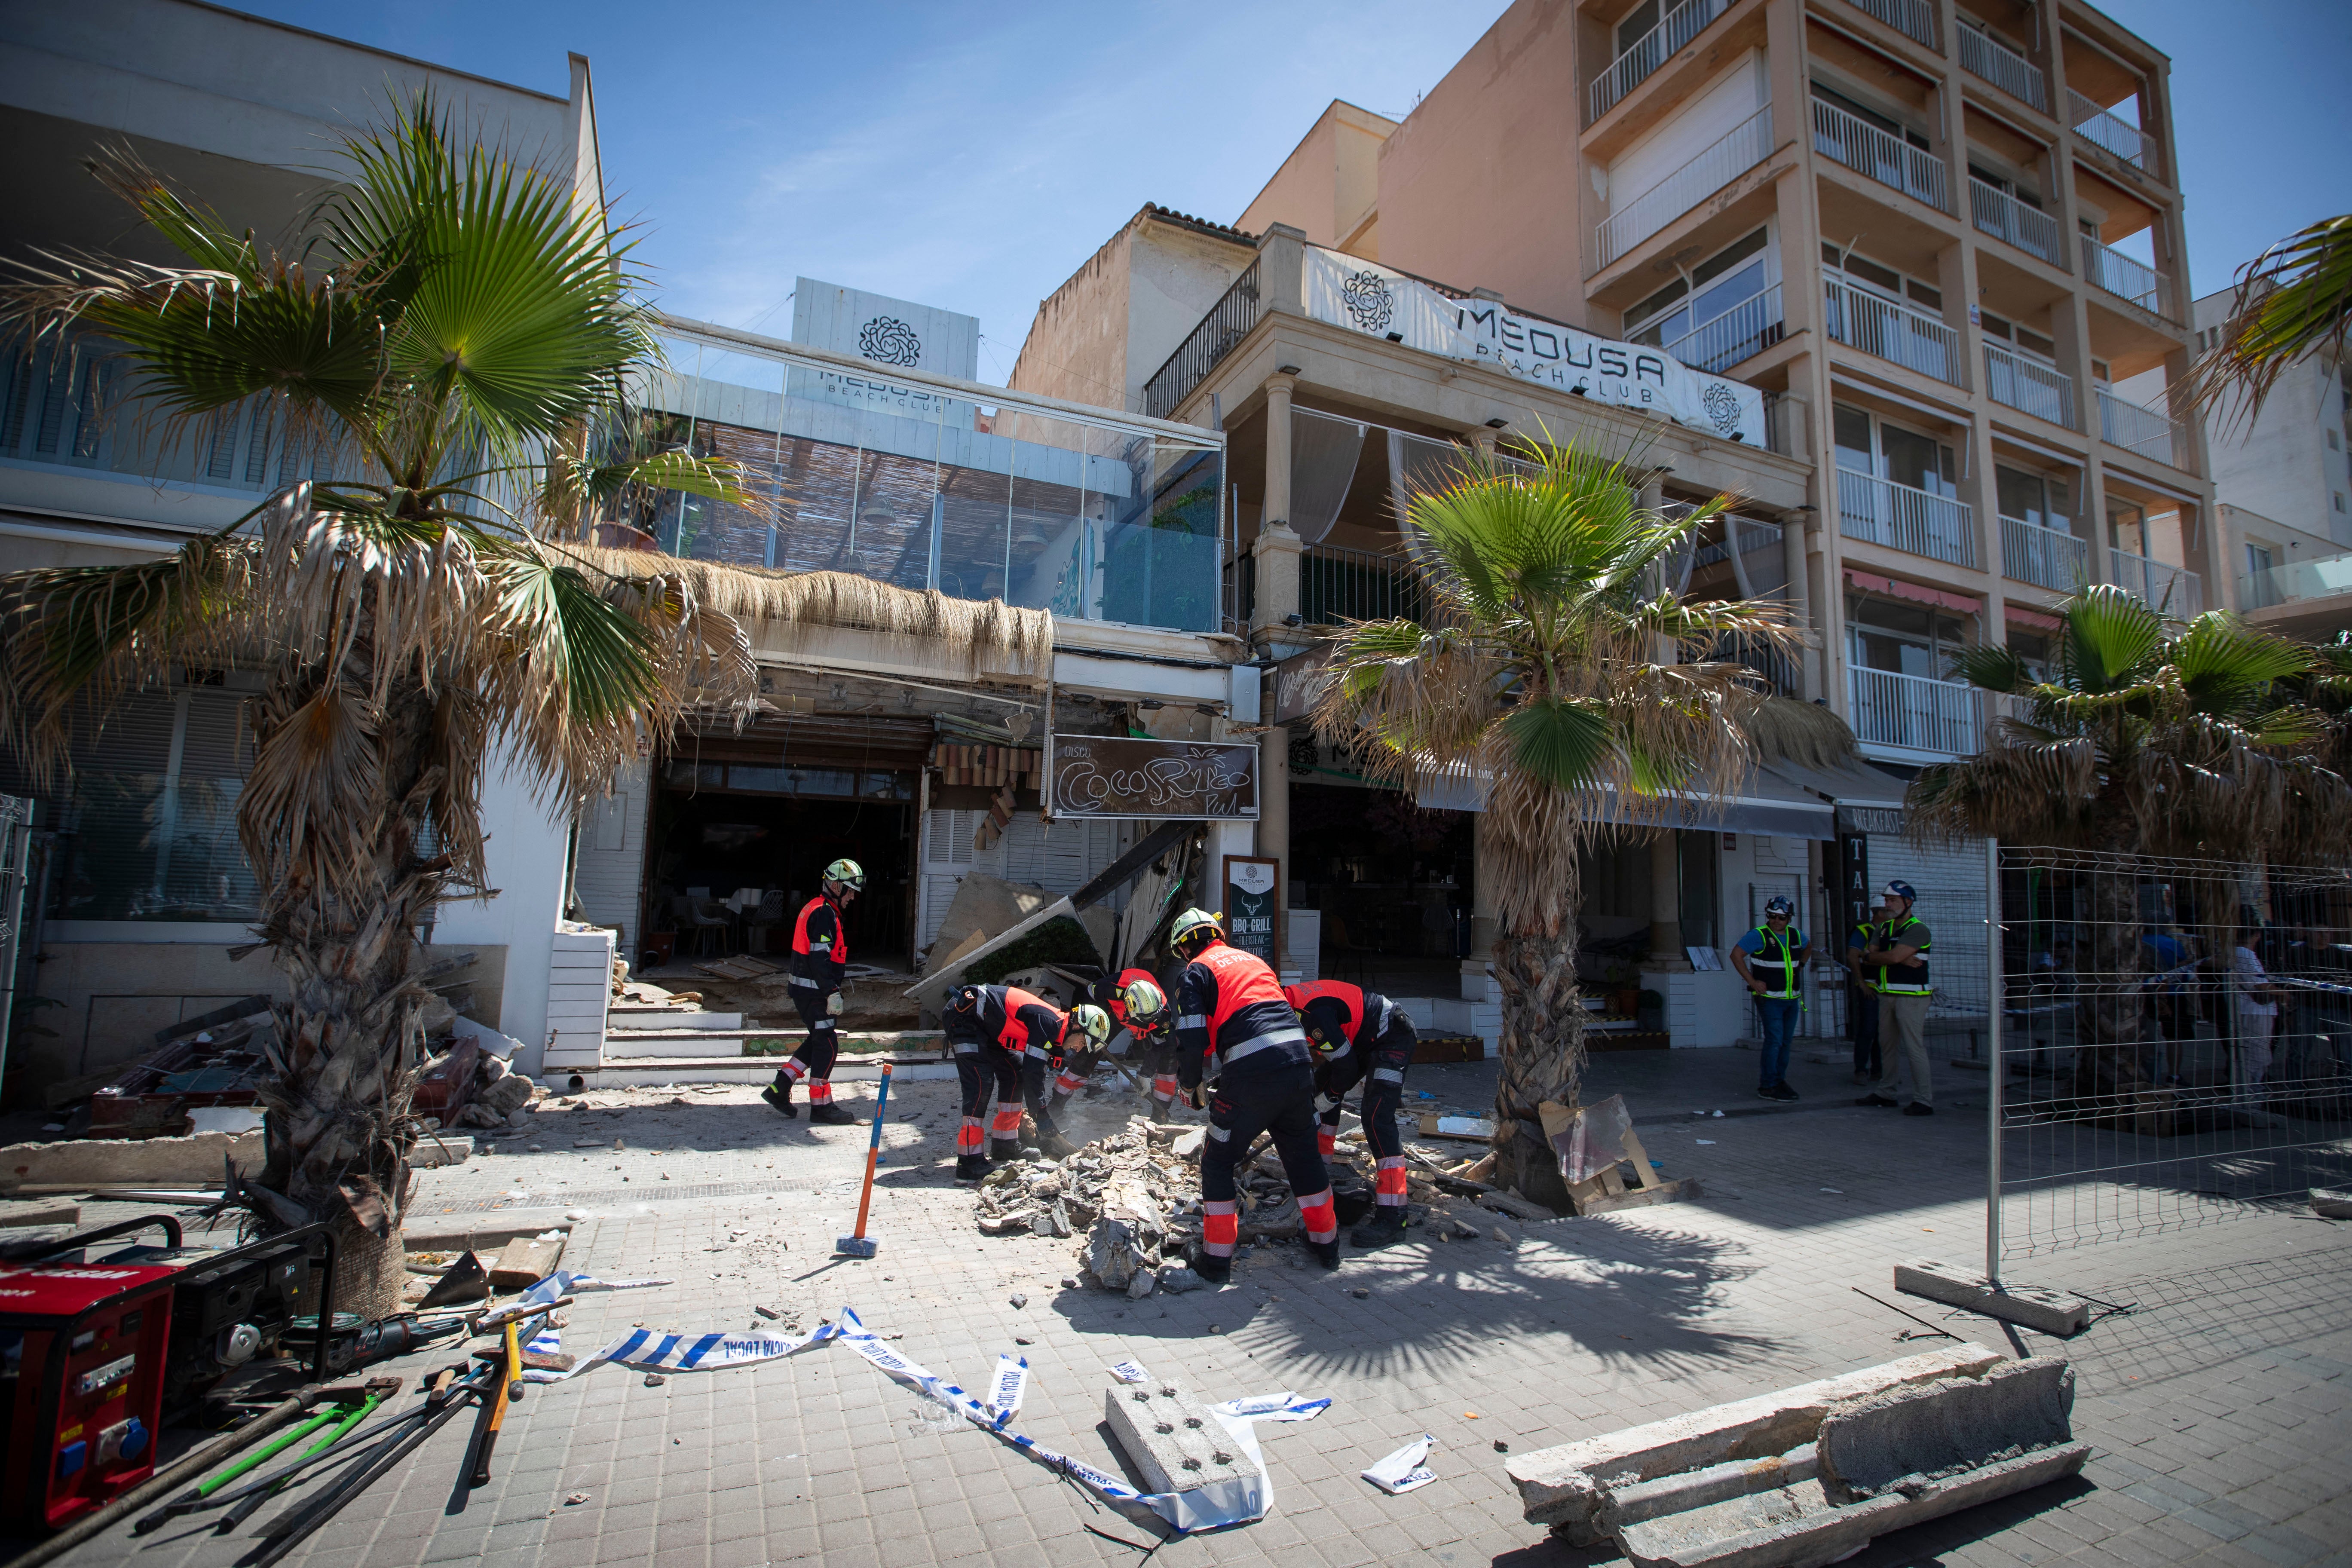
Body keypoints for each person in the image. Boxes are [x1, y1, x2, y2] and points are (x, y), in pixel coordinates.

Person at [1170, 908, 1338, 1282]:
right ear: (1218, 934)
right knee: (1304, 1158)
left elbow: (1193, 1036)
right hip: (1298, 1066)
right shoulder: (1252, 961)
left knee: (1217, 1162)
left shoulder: (1195, 971)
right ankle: (1327, 1245)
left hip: (1251, 1075)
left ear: (1184, 948)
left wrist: (1189, 1085)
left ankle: (1215, 1262)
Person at [1283, 979, 1416, 1249]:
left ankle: (1394, 1217)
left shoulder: (1311, 1015)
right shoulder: (1289, 1005)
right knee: (1321, 1086)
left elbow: (1345, 1069)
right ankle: (1320, 1179)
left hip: (1392, 1035)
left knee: (1377, 1118)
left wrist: (1324, 1102)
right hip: (1361, 1040)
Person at [941, 983, 1111, 1177]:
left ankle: (1004, 1145)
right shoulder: (1048, 1024)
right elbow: (1034, 1072)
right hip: (965, 1017)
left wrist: (1041, 1114)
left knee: (1015, 1075)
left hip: (986, 1028)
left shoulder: (1054, 1031)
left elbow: (1031, 1073)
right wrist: (1041, 1116)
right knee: (981, 1084)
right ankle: (969, 1161)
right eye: (1082, 1042)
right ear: (1076, 1027)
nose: (1079, 1048)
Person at [763, 859, 864, 1125]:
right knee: (828, 1045)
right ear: (834, 885)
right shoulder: (823, 913)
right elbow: (819, 958)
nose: (853, 897)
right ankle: (821, 1107)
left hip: (808, 991)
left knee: (818, 1041)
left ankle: (779, 1088)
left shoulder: (820, 909)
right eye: (850, 890)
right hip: (815, 992)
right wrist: (832, 992)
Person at [1855, 881, 1935, 1116]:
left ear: (1908, 903)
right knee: (1887, 1046)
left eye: (1893, 901)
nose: (1888, 905)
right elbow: (1867, 953)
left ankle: (1924, 1100)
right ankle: (1886, 1093)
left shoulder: (1918, 929)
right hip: (1887, 994)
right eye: (1887, 900)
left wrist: (1889, 957)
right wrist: (1891, 957)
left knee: (1913, 1048)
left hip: (1912, 997)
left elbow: (1886, 957)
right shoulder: (1883, 928)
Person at [1731, 897, 1810, 1102]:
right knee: (1774, 1041)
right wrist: (1753, 981)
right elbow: (1736, 955)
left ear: (1789, 918)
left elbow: (1808, 946)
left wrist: (1801, 963)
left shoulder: (1796, 935)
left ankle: (1779, 1080)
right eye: (1772, 916)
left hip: (1792, 999)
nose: (1776, 920)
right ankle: (1767, 1085)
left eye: (1781, 917)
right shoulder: (1759, 935)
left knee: (1785, 1042)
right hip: (1770, 999)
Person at [1087, 968, 1179, 1120]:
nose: (1151, 1024)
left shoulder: (1162, 1015)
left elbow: (1158, 1046)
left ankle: (1160, 1115)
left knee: (1169, 1054)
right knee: (1088, 1051)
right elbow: (1089, 995)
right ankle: (1057, 1105)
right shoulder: (1109, 988)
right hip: (1116, 1013)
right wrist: (1093, 1026)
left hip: (1145, 1016)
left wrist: (1146, 1074)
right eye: (1147, 1021)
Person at [2231, 927, 2290, 1087]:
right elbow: (2261, 985)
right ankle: (2247, 1094)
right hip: (2254, 1011)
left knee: (2257, 1055)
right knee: (2256, 1056)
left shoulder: (2238, 952)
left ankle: (2251, 1092)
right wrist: (2285, 993)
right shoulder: (2244, 953)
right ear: (2257, 935)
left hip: (2252, 1010)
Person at [1843, 914, 1882, 1085]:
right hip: (1871, 989)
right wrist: (1863, 984)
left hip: (1889, 990)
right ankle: (1861, 1070)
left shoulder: (1894, 931)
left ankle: (1879, 1071)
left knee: (1885, 1033)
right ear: (1877, 912)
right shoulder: (1864, 931)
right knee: (1868, 1029)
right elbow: (1852, 956)